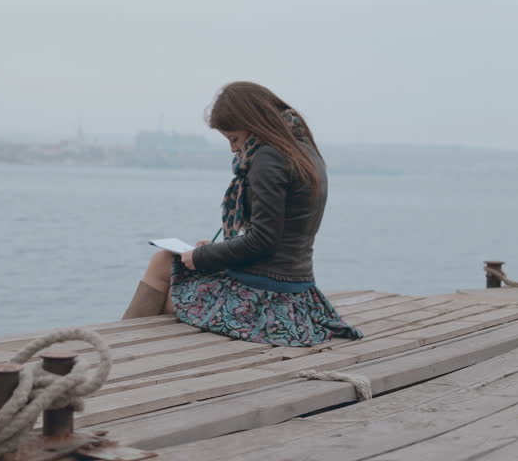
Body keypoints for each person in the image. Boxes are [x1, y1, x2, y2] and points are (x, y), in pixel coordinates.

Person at [122, 81, 362, 346]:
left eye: (233, 139)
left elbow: (263, 241)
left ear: (253, 123)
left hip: (266, 303)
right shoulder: (303, 151)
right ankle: (124, 350)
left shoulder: (269, 157)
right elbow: (274, 237)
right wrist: (214, 253)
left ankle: (118, 350)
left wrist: (203, 256)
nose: (233, 149)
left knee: (162, 267)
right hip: (297, 295)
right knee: (166, 261)